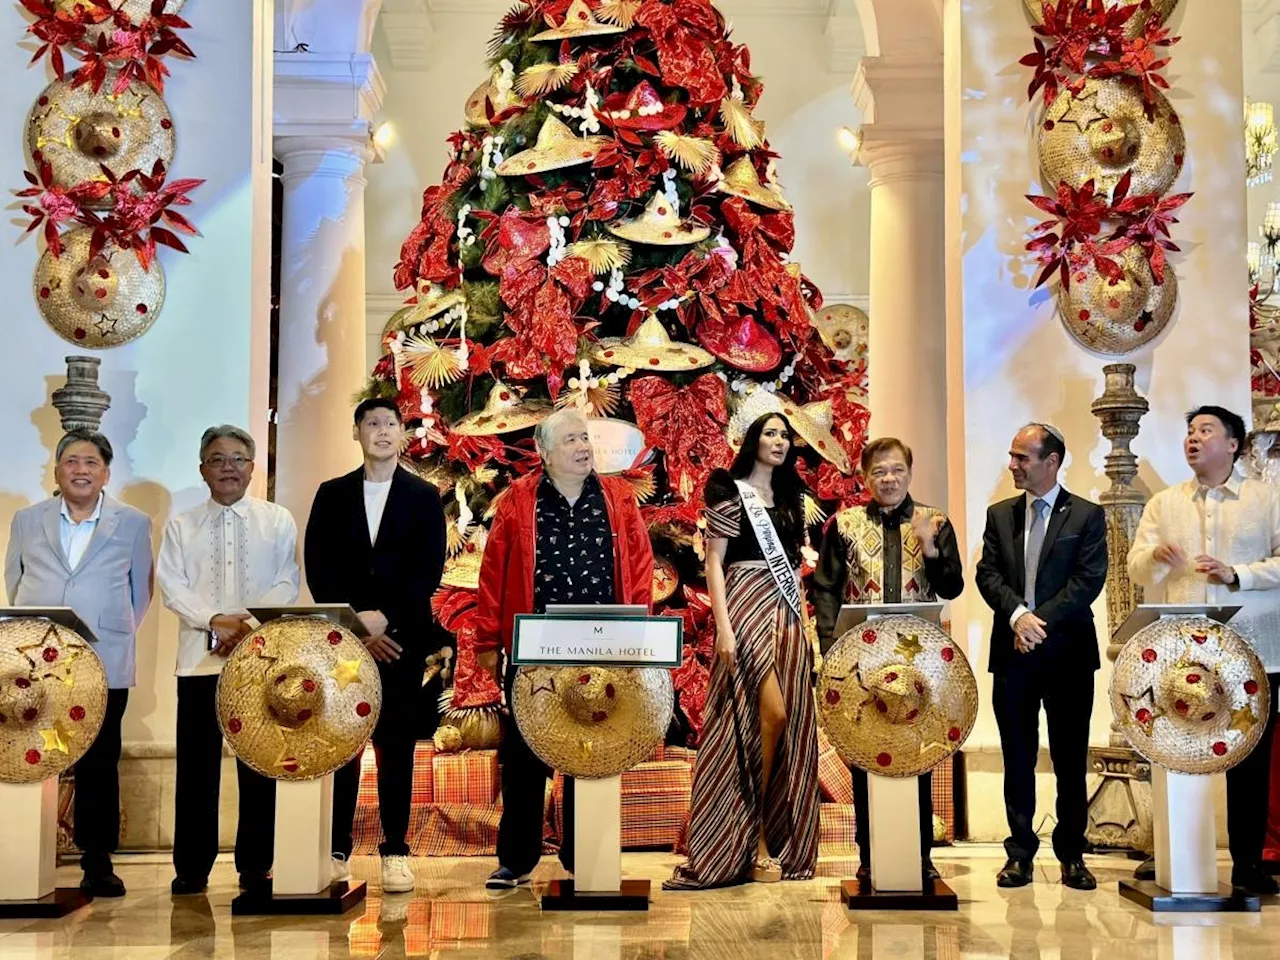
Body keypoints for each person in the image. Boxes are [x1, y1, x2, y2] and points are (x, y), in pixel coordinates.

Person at [474, 408, 653, 891]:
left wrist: (637, 635)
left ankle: (584, 853)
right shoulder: (518, 501)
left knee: (592, 745)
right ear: (545, 452)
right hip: (537, 645)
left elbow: (639, 568)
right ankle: (516, 858)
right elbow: (494, 573)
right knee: (526, 752)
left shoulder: (617, 498)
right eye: (571, 440)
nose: (583, 447)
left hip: (603, 645)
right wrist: (489, 640)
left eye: (586, 439)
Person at [1128, 405, 1280, 895]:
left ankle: (1249, 866)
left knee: (1250, 763)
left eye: (1205, 431)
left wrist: (1239, 574)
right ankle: (1177, 856)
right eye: (1189, 431)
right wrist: (1155, 557)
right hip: (1186, 660)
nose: (1193, 438)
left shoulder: (1266, 498)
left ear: (1233, 444)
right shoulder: (1165, 504)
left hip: (1254, 652)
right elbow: (1135, 569)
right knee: (1180, 754)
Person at [665, 412, 820, 889]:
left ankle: (768, 837)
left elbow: (794, 565)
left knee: (785, 720)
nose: (778, 441)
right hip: (744, 604)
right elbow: (713, 563)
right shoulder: (729, 493)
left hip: (786, 612)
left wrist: (801, 623)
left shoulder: (793, 499)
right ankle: (745, 837)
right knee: (767, 713)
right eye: (770, 433)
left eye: (784, 435)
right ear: (753, 441)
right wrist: (724, 628)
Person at [305, 398, 446, 894]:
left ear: (403, 434)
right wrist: (358, 623)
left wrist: (385, 619)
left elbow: (427, 571)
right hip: (345, 641)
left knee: (395, 745)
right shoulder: (332, 494)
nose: (382, 431)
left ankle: (395, 851)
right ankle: (337, 849)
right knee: (343, 743)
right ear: (357, 432)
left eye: (391, 424)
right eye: (372, 423)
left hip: (402, 641)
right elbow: (319, 569)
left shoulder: (424, 497)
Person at [4, 430, 153, 897]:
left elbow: (140, 592)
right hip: (35, 662)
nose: (81, 469)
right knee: (29, 751)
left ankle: (98, 860)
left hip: (103, 659)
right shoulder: (28, 520)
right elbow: (14, 581)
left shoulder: (132, 522)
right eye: (71, 461)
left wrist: (113, 629)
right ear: (57, 470)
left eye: (91, 462)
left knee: (99, 760)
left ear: (106, 472)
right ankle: (18, 855)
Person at [812, 436, 964, 883]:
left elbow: (952, 587)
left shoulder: (935, 521)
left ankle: (920, 854)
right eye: (879, 472)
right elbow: (826, 589)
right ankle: (868, 853)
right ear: (865, 478)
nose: (889, 479)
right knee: (866, 753)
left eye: (897, 470)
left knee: (917, 752)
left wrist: (930, 548)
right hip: (863, 662)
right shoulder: (845, 524)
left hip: (920, 664)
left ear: (910, 473)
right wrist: (830, 649)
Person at [157, 425, 300, 897]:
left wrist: (245, 627)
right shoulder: (182, 524)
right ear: (203, 469)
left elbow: (286, 582)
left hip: (258, 661)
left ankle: (257, 865)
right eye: (218, 459)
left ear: (253, 467)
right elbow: (171, 585)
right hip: (198, 661)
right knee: (196, 770)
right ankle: (192, 868)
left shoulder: (277, 519)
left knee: (258, 765)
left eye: (239, 459)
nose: (229, 468)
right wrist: (214, 620)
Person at [976, 423, 1106, 891]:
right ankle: (1019, 854)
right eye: (1012, 456)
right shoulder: (999, 515)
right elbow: (987, 575)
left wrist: (1036, 623)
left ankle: (1073, 853)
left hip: (1068, 656)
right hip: (1013, 654)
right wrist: (1016, 618)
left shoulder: (1087, 516)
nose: (1013, 465)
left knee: (1070, 759)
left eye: (1022, 458)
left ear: (1051, 462)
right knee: (1017, 757)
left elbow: (1087, 582)